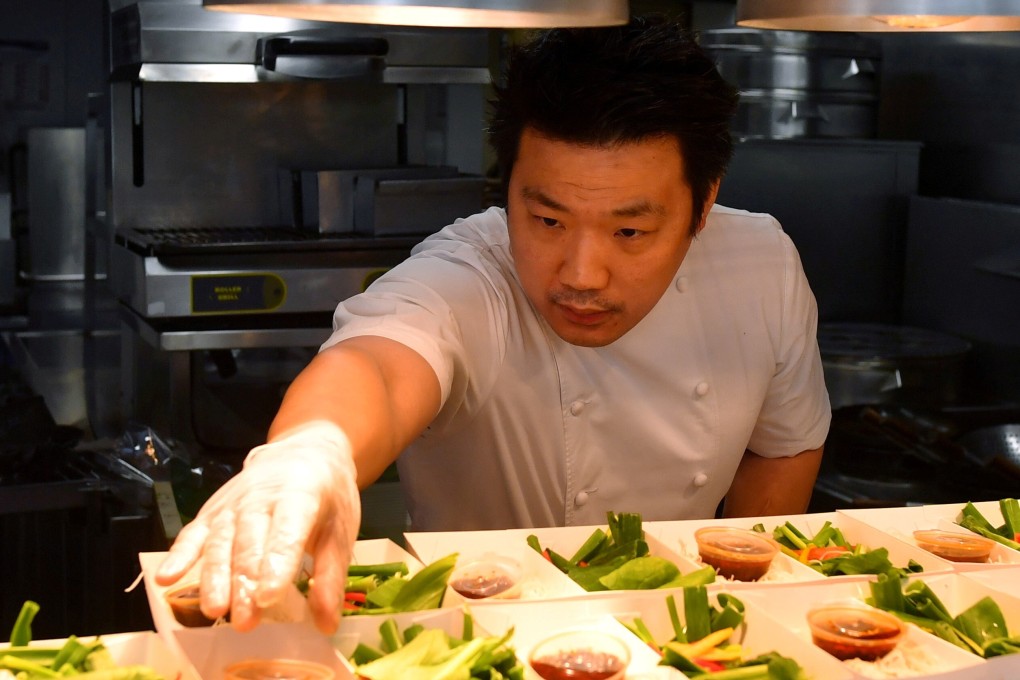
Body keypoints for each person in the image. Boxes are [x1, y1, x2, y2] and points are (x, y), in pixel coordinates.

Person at [156, 15, 830, 635]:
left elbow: (784, 443)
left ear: (703, 205)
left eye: (629, 230)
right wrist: (311, 452)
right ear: (506, 188)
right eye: (547, 221)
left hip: (672, 639)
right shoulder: (469, 273)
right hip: (476, 643)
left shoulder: (760, 265)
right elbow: (381, 364)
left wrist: (742, 607)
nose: (581, 274)